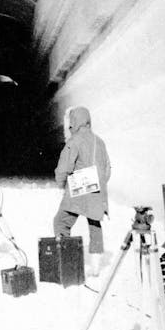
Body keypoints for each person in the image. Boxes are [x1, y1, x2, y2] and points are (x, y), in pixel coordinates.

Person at [53, 106, 111, 276]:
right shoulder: (100, 141)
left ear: (74, 122)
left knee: (61, 222)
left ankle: (68, 263)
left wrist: (61, 183)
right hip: (97, 190)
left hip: (78, 189)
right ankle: (96, 265)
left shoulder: (74, 141)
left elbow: (64, 167)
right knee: (94, 224)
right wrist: (98, 183)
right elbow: (107, 169)